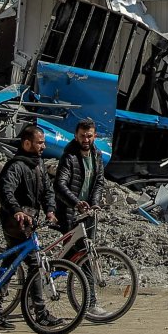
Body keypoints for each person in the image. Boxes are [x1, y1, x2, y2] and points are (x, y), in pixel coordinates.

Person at [0, 124, 59, 330]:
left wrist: (50, 210)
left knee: (11, 262)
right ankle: (39, 313)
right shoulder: (15, 166)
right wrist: (17, 210)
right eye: (39, 142)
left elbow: (47, 191)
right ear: (27, 143)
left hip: (29, 221)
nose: (43, 146)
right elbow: (6, 191)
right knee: (34, 265)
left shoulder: (38, 165)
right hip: (14, 222)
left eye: (43, 142)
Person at [53, 118, 109, 318]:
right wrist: (76, 202)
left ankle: (46, 283)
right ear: (76, 135)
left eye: (89, 135)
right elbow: (60, 185)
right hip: (70, 214)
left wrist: (93, 203)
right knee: (82, 257)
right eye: (82, 135)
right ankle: (90, 303)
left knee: (85, 255)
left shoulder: (97, 155)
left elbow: (99, 182)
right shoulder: (69, 157)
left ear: (95, 136)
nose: (86, 139)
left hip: (88, 213)